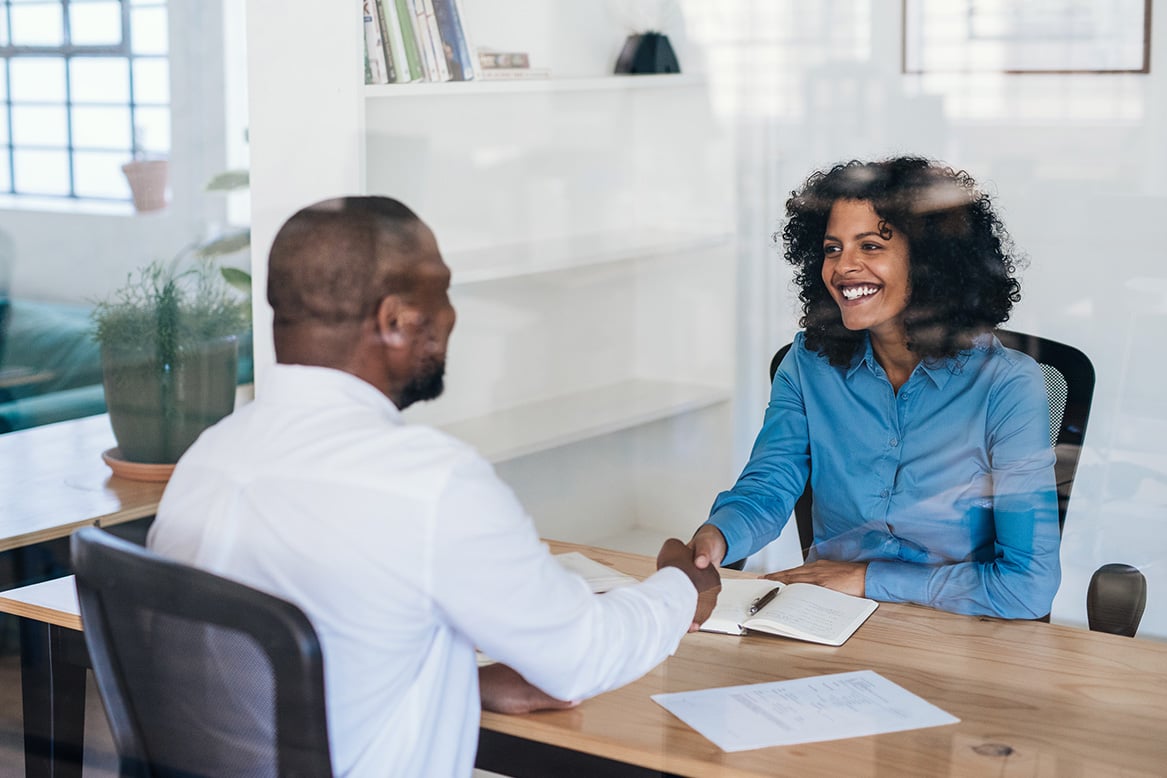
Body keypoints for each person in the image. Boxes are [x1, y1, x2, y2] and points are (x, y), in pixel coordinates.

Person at [147, 196, 720, 776]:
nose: (451, 315)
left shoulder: (208, 459)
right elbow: (579, 657)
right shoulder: (426, 483)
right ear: (394, 320)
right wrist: (679, 591)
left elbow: (255, 684)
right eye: (442, 293)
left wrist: (459, 684)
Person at [688, 156, 1060, 620]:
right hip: (825, 617)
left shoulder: (1008, 387)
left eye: (870, 246)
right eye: (831, 248)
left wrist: (867, 579)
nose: (844, 267)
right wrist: (715, 538)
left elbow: (1029, 587)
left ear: (928, 263)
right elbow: (769, 486)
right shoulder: (808, 362)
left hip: (958, 629)